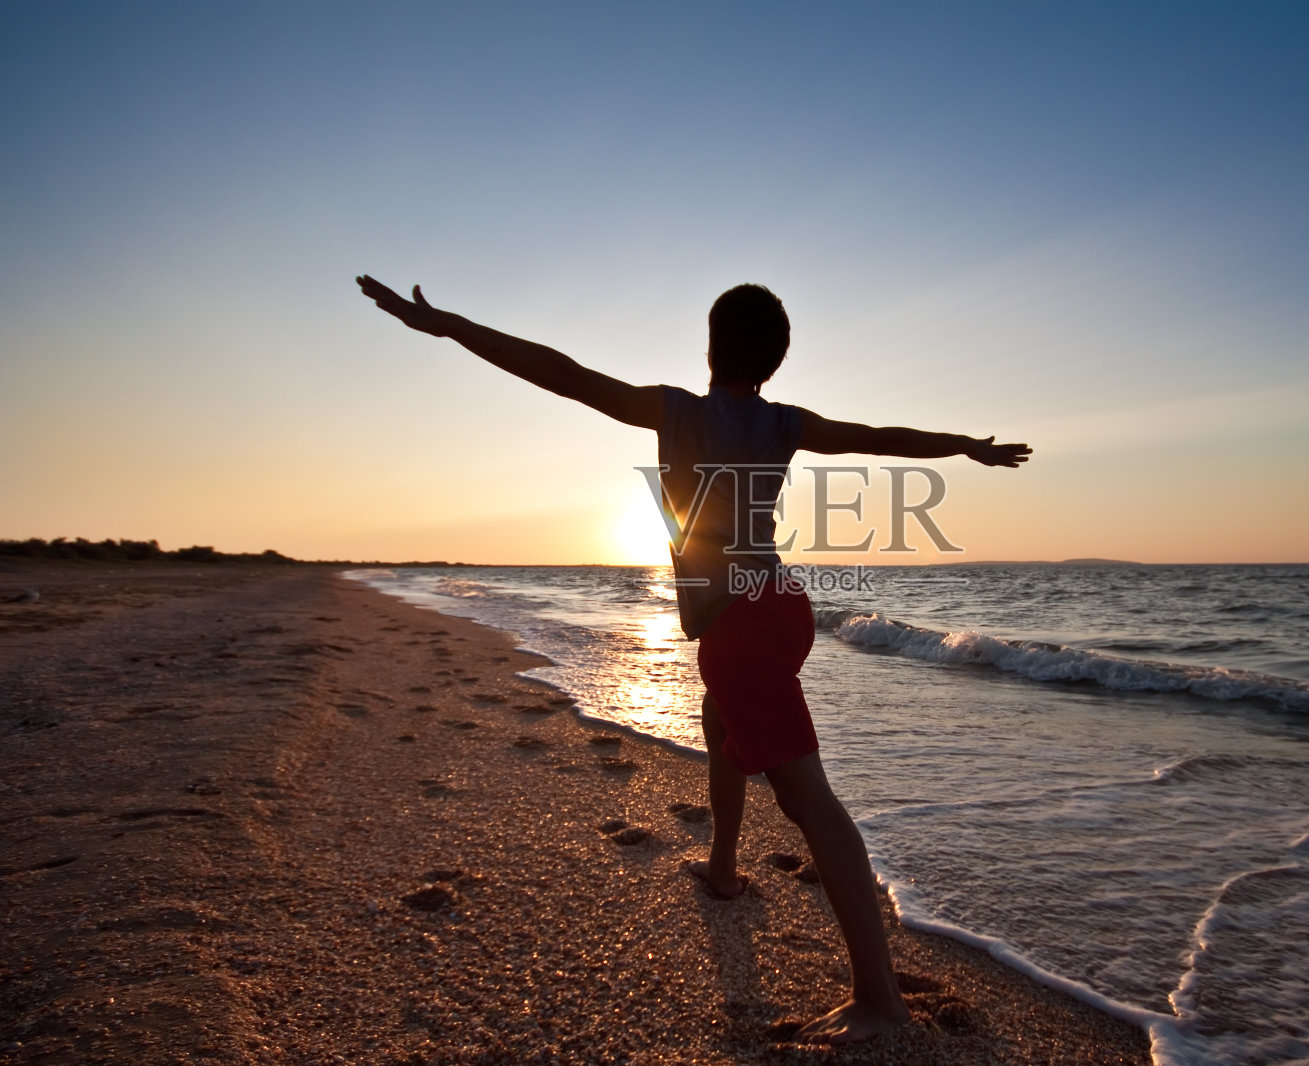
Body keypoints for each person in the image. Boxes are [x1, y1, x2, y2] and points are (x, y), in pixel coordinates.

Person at [356, 275, 1030, 1044]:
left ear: (709, 346)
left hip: (744, 625)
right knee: (720, 722)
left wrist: (447, 325)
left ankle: (880, 1001)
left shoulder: (674, 410)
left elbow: (559, 372)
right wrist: (967, 448)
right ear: (774, 361)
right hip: (776, 607)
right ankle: (721, 866)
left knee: (810, 801)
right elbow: (879, 436)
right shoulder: (785, 422)